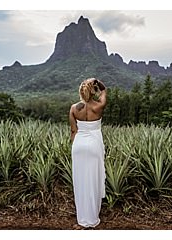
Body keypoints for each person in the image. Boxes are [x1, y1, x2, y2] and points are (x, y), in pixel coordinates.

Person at [69, 78, 107, 229]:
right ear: (93, 91)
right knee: (93, 180)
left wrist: (74, 147)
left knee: (81, 182)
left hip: (78, 146)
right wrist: (97, 82)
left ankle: (82, 218)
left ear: (80, 92)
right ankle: (92, 218)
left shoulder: (74, 108)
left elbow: (73, 131)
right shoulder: (99, 106)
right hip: (93, 146)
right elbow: (104, 91)